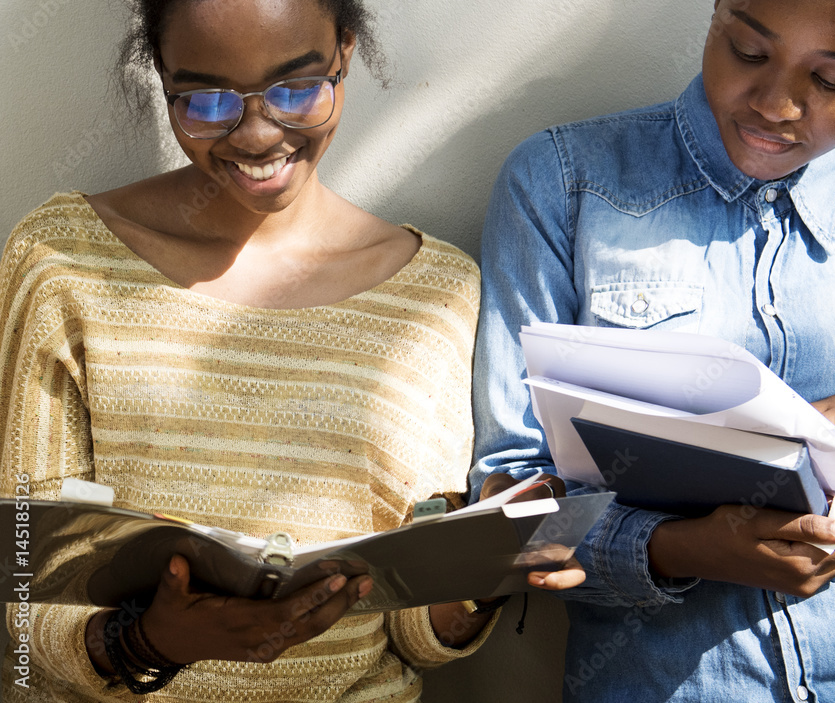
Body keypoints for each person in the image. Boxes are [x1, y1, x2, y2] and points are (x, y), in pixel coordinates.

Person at [472, 0, 835, 700]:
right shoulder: (563, 183)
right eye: (749, 51)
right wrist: (680, 548)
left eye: (834, 79)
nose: (777, 104)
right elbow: (506, 513)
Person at [0, 0, 497, 700]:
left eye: (297, 88)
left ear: (344, 53)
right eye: (205, 100)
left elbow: (411, 622)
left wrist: (485, 577)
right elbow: (25, 577)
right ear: (162, 80)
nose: (258, 135)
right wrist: (147, 643)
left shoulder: (437, 291)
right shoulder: (62, 260)